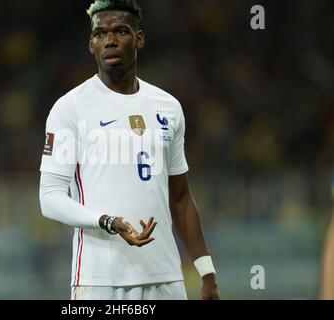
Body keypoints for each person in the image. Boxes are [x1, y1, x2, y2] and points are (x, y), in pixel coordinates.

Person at [39, 0, 220, 300]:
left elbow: (181, 197)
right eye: (100, 33)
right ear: (91, 43)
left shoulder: (168, 108)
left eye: (120, 31)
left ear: (139, 39)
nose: (109, 40)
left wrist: (207, 272)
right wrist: (108, 221)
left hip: (166, 278)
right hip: (99, 280)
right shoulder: (70, 108)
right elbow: (49, 198)